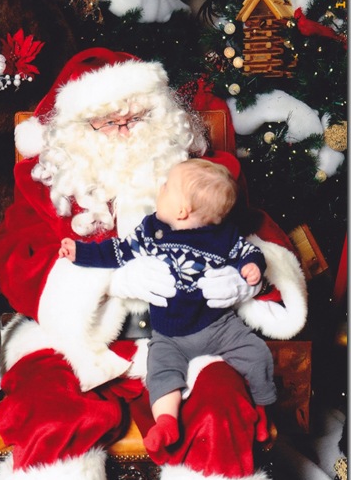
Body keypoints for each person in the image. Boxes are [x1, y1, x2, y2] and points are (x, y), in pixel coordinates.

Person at [0, 47, 308, 480]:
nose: (122, 131)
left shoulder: (202, 179)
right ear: (74, 132)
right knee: (44, 407)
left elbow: (257, 240)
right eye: (103, 123)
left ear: (161, 118)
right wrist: (108, 280)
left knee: (222, 405)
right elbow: (14, 260)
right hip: (80, 342)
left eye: (135, 117)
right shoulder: (45, 188)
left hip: (189, 334)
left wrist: (241, 283)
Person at [59, 157, 277, 459]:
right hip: (169, 334)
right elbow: (120, 250)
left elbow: (249, 251)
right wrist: (80, 252)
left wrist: (251, 268)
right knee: (161, 371)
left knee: (256, 354)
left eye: (167, 188)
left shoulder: (223, 236)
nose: (160, 188)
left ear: (182, 211)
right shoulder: (153, 231)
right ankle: (166, 421)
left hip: (218, 327)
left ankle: (263, 409)